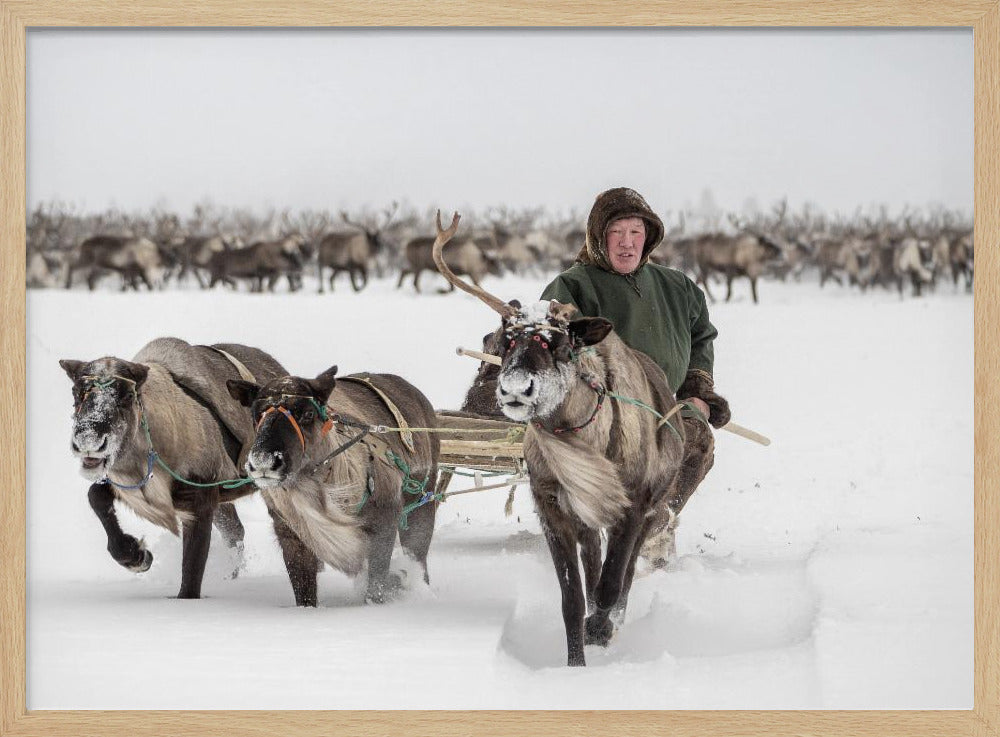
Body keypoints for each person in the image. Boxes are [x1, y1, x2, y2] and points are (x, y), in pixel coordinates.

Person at [541, 186, 731, 565]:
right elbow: (558, 344)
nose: (627, 244)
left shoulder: (677, 287)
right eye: (616, 233)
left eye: (636, 233)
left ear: (649, 237)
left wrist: (697, 387)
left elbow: (701, 335)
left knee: (696, 440)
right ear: (599, 237)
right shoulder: (573, 286)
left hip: (666, 405)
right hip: (601, 409)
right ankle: (626, 528)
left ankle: (656, 522)